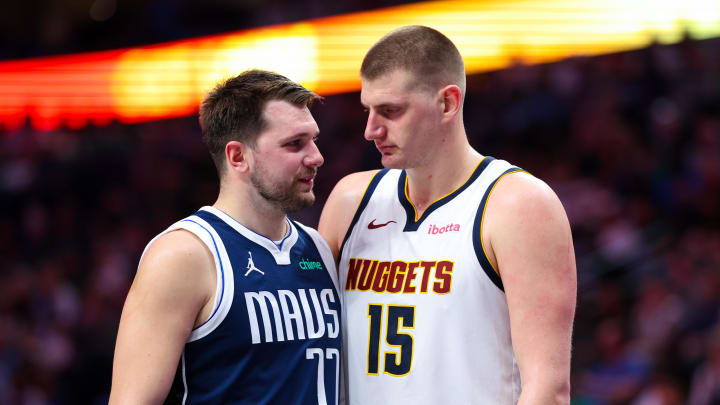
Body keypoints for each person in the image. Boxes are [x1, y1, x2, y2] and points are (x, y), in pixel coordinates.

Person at [319, 26, 577, 404]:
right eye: (368, 110)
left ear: (447, 103)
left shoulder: (518, 205)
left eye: (390, 111)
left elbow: (547, 390)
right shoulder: (351, 200)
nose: (371, 130)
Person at [110, 70, 342, 405]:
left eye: (314, 139)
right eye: (295, 144)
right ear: (238, 156)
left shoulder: (317, 248)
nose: (316, 157)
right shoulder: (184, 256)